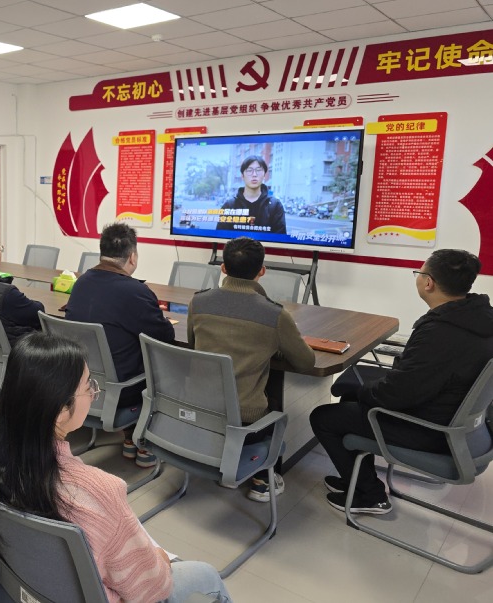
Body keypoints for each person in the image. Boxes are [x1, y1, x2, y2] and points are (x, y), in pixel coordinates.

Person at [0, 332, 232, 603]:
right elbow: (151, 590)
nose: (94, 393)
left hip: (29, 586)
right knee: (207, 574)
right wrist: (161, 561)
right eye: (88, 386)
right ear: (61, 411)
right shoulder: (98, 492)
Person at [310, 249, 493, 515]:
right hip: (459, 422)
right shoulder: (479, 317)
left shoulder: (440, 332)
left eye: (419, 272)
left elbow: (397, 395)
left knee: (323, 417)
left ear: (428, 282)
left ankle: (371, 496)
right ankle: (357, 480)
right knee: (349, 396)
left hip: (431, 429)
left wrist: (363, 391)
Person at [187, 237, 315, 502]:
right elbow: (306, 362)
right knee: (272, 402)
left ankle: (223, 459)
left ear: (223, 268)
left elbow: (193, 345)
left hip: (201, 407)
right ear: (262, 270)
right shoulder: (274, 314)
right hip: (246, 417)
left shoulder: (198, 302)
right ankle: (261, 481)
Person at [65, 222, 174, 467]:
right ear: (132, 257)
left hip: (81, 382)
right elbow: (164, 336)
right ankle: (144, 443)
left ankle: (129, 437)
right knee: (159, 365)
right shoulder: (135, 291)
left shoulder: (81, 283)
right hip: (122, 391)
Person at [218, 156, 286, 234]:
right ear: (242, 176)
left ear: (264, 175)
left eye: (258, 170)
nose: (254, 174)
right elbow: (220, 237)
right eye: (249, 170)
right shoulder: (229, 205)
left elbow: (280, 238)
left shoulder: (275, 205)